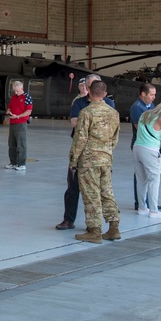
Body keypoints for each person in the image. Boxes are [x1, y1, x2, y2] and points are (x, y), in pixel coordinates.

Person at [56, 73, 115, 230]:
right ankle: (69, 219)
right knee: (73, 189)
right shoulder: (79, 103)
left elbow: (82, 136)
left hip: (96, 156)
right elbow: (74, 123)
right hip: (91, 155)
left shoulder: (104, 106)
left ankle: (96, 228)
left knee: (97, 193)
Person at [69, 80, 121, 244]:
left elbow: (80, 139)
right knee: (107, 192)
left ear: (90, 92)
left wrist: (73, 160)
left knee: (91, 194)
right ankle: (114, 227)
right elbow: (115, 138)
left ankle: (94, 230)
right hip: (106, 158)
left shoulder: (86, 112)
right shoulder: (114, 113)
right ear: (105, 94)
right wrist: (107, 152)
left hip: (89, 160)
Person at [130, 83, 156, 209]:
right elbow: (139, 127)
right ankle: (140, 202)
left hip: (151, 143)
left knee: (149, 175)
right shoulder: (137, 107)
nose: (153, 97)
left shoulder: (151, 105)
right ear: (143, 94)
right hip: (141, 143)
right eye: (151, 95)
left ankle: (149, 201)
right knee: (141, 175)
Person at [4, 80, 33, 171]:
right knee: (12, 144)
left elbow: (28, 111)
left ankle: (21, 164)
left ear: (22, 88)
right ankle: (13, 162)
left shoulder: (27, 97)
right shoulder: (14, 97)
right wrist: (9, 112)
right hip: (12, 123)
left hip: (21, 123)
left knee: (21, 144)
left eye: (18, 91)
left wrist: (18, 116)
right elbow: (10, 107)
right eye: (15, 91)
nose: (16, 92)